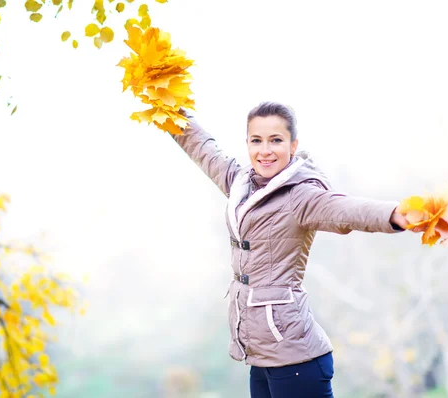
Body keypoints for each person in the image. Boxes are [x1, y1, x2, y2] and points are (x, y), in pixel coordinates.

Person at [170, 102, 411, 398]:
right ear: (247, 143)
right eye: (257, 140)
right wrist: (167, 108)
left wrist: (398, 213)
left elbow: (346, 209)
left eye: (276, 140)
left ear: (293, 145)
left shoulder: (302, 195)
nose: (265, 150)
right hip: (262, 357)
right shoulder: (240, 183)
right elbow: (202, 148)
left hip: (296, 361)